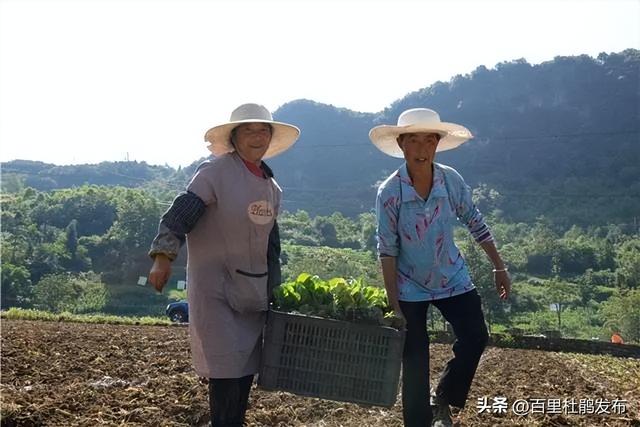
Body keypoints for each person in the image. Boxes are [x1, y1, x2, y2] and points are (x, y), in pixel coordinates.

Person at [148, 103, 300, 427]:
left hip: (252, 292)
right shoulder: (214, 173)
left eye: (263, 130)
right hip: (215, 291)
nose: (257, 136)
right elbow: (181, 214)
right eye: (249, 130)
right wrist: (163, 257)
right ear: (234, 137)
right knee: (225, 374)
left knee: (244, 373)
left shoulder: (272, 188)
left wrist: (278, 289)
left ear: (270, 137)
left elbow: (272, 246)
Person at [369, 108, 511, 427]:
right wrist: (395, 305)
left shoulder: (449, 180)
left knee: (475, 336)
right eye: (414, 141)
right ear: (402, 145)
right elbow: (387, 250)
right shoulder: (390, 193)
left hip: (452, 277)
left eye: (429, 141)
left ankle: (443, 397)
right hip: (409, 285)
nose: (422, 149)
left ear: (437, 145)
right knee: (415, 360)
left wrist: (499, 267)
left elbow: (475, 220)